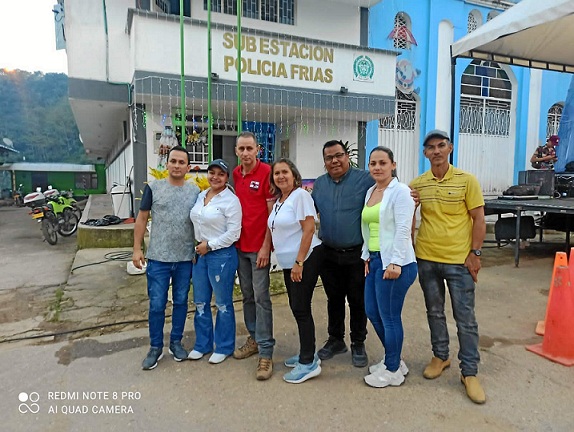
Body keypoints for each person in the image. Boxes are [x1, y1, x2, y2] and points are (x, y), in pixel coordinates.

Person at [410, 130, 487, 404]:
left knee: (465, 318)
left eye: (441, 146)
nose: (437, 151)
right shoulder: (418, 184)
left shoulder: (467, 181)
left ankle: (470, 372)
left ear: (450, 148)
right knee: (434, 312)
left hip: (459, 261)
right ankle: (441, 356)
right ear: (425, 153)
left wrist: (475, 254)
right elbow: (409, 218)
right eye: (431, 147)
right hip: (427, 258)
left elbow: (479, 219)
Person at [133, 145, 200, 370]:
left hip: (184, 259)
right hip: (158, 258)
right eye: (173, 161)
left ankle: (176, 342)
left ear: (188, 167)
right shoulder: (154, 188)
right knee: (157, 304)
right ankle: (155, 347)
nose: (177, 165)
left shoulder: (194, 192)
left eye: (182, 162)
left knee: (181, 302)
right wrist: (137, 248)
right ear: (167, 163)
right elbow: (142, 219)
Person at [312, 139, 375, 367]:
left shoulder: (365, 179)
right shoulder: (319, 184)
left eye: (338, 155)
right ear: (324, 162)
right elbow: (307, 212)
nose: (334, 160)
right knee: (334, 299)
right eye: (329, 157)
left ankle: (358, 342)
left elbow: (389, 189)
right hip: (328, 254)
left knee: (358, 300)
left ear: (347, 156)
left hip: (356, 254)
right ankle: (336, 339)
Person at [360, 147, 417, 388]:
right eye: (373, 163)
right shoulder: (371, 191)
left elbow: (404, 229)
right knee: (372, 312)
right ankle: (394, 359)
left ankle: (393, 369)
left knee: (390, 317)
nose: (377, 167)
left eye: (382, 163)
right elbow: (370, 229)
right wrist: (366, 257)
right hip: (374, 260)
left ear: (393, 165)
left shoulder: (400, 192)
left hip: (396, 263)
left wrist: (394, 262)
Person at [268, 158, 323, 384]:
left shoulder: (300, 196)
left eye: (285, 172)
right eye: (277, 173)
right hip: (291, 262)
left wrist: (299, 262)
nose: (280, 176)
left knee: (300, 308)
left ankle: (308, 362)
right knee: (296, 307)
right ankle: (306, 353)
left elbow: (309, 229)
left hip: (305, 259)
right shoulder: (281, 200)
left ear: (294, 175)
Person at [188, 159, 242, 365]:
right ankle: (202, 344)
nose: (215, 177)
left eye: (221, 174)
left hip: (221, 256)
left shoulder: (231, 201)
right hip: (200, 255)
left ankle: (225, 346)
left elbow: (234, 233)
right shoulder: (201, 195)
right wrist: (199, 246)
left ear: (227, 178)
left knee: (222, 303)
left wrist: (209, 245)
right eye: (212, 172)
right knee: (200, 301)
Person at [232, 131, 276, 380]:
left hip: (259, 249)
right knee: (248, 295)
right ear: (237, 151)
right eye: (242, 149)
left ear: (258, 149)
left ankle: (266, 353)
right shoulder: (237, 174)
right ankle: (254, 338)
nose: (246, 153)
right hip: (240, 247)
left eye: (250, 148)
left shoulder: (267, 172)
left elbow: (271, 214)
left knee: (262, 298)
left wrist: (265, 247)